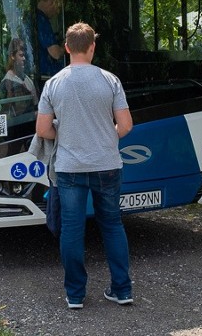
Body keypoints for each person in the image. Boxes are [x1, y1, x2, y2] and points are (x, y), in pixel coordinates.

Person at [35, 22, 134, 310]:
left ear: (67, 48)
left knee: (72, 229)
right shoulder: (110, 80)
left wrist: (65, 134)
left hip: (70, 167)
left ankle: (75, 295)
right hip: (107, 164)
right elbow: (125, 125)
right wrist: (105, 136)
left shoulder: (53, 83)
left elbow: (43, 129)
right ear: (92, 47)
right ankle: (122, 289)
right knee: (113, 225)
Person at [0, 38, 38, 116]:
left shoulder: (27, 78)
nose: (24, 58)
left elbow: (36, 105)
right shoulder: (7, 82)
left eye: (25, 55)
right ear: (12, 56)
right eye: (21, 55)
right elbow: (6, 112)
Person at [36, 0, 65, 77]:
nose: (57, 12)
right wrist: (65, 46)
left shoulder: (28, 17)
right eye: (58, 7)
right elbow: (56, 54)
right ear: (51, 2)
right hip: (46, 75)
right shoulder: (41, 20)